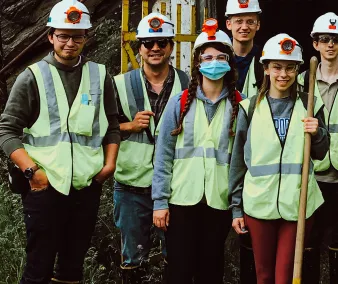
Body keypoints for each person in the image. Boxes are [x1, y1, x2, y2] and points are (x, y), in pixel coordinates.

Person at [0, 1, 120, 283]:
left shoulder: (100, 76)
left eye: (77, 36)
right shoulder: (32, 77)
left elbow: (111, 124)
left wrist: (108, 165)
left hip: (87, 187)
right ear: (50, 36)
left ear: (87, 37)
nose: (70, 42)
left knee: (72, 268)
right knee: (38, 269)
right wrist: (32, 172)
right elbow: (6, 131)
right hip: (44, 187)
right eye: (63, 35)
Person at [229, 33, 330, 284]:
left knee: (285, 276)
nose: (283, 74)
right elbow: (238, 162)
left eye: (289, 68)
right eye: (276, 67)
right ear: (265, 68)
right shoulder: (249, 108)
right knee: (263, 276)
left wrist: (317, 132)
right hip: (258, 203)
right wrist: (236, 207)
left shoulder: (310, 105)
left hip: (297, 203)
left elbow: (321, 152)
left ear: (297, 70)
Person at [149, 20, 241, 284]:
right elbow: (163, 155)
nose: (214, 62)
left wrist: (237, 208)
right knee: (178, 269)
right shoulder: (180, 102)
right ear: (198, 62)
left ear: (229, 62)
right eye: (208, 57)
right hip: (181, 201)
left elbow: (240, 162)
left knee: (211, 270)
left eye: (221, 57)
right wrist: (160, 202)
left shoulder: (239, 105)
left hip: (218, 200)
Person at [112, 12, 189, 283]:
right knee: (133, 258)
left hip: (174, 187)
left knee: (177, 255)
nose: (155, 48)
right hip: (132, 185)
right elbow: (99, 130)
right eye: (148, 43)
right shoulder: (119, 84)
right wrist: (129, 127)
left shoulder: (189, 85)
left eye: (162, 42)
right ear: (139, 48)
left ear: (171, 47)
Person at [296, 12, 338, 284]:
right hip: (312, 173)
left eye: (336, 40)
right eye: (324, 39)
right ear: (315, 44)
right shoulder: (302, 81)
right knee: (311, 235)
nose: (330, 45)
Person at [224, 2, 264, 281]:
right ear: (228, 24)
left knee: (248, 229)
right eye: (238, 21)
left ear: (258, 25)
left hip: (252, 154)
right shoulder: (215, 59)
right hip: (216, 153)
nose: (244, 27)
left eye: (250, 21)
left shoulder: (267, 62)